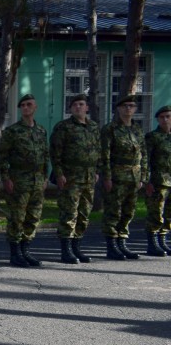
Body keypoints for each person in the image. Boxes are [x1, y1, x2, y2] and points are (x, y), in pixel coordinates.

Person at [0, 94, 49, 267]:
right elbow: (3, 157)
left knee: (33, 217)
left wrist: (45, 177)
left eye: (29, 105)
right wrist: (6, 178)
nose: (26, 107)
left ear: (35, 107)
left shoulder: (41, 130)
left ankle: (26, 250)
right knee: (16, 217)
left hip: (37, 180)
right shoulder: (12, 132)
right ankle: (15, 253)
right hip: (19, 179)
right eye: (23, 105)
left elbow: (45, 155)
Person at [50, 94, 100, 264]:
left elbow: (98, 151)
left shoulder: (93, 127)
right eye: (75, 105)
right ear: (70, 109)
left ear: (87, 108)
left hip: (89, 177)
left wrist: (97, 171)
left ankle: (77, 247)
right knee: (69, 213)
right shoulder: (63, 127)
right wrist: (59, 174)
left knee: (84, 214)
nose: (78, 107)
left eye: (81, 104)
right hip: (70, 177)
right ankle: (66, 250)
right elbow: (55, 153)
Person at [100, 95, 147, 260]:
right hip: (117, 176)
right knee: (114, 211)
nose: (128, 109)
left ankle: (122, 243)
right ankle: (112, 245)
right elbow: (104, 155)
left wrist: (143, 176)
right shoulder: (110, 129)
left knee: (128, 211)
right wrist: (107, 177)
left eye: (132, 106)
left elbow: (143, 154)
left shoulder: (137, 129)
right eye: (125, 106)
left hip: (134, 176)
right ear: (118, 109)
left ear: (135, 109)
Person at [144, 105, 171, 256]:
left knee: (169, 213)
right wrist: (147, 181)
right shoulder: (153, 137)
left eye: (168, 116)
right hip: (158, 181)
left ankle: (163, 241)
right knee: (156, 213)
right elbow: (146, 159)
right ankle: (152, 244)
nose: (165, 120)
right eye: (162, 117)